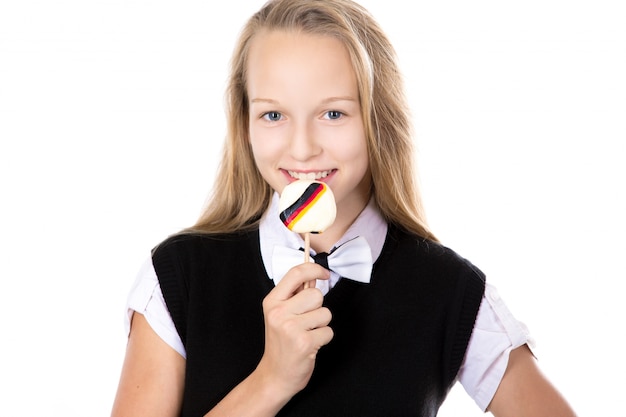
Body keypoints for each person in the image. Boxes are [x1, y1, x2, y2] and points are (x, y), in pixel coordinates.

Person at [111, 0, 578, 416]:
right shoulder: (178, 277)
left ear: (379, 119)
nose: (302, 148)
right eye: (273, 115)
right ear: (245, 122)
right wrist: (270, 381)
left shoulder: (450, 291)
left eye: (333, 113)